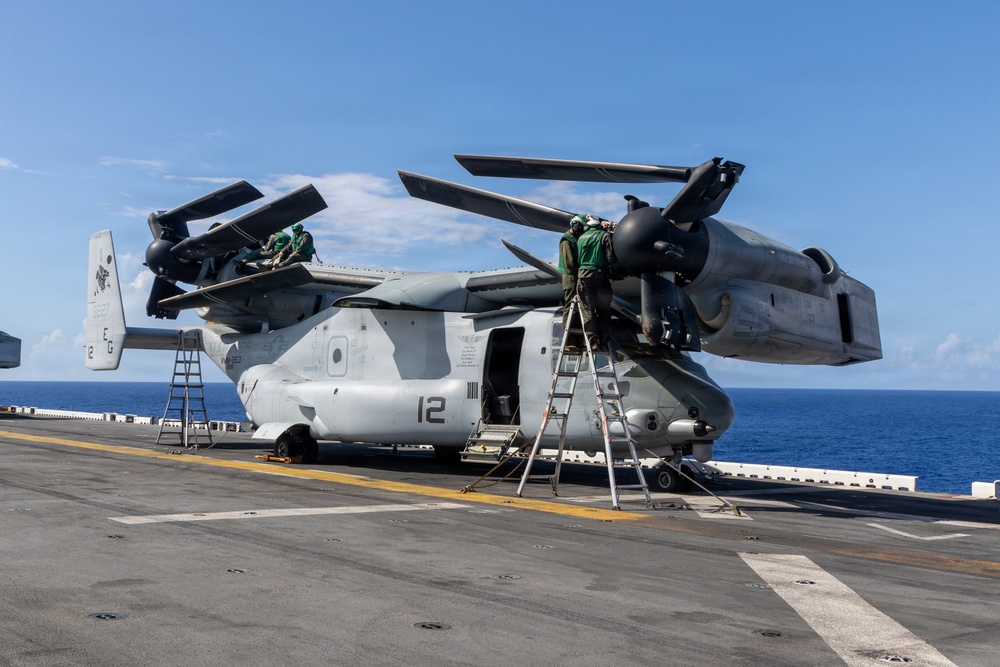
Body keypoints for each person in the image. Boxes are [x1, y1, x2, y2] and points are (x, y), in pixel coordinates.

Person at [576, 214, 614, 349]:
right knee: (604, 309)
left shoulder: (580, 238)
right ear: (598, 226)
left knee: (587, 309)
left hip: (583, 277)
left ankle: (592, 342)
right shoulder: (604, 236)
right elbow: (610, 257)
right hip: (600, 276)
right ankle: (603, 340)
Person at [559, 215, 586, 328]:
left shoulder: (574, 239)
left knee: (577, 309)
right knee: (569, 306)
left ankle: (576, 340)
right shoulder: (566, 240)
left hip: (575, 276)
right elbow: (569, 262)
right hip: (570, 277)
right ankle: (569, 341)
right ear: (576, 227)